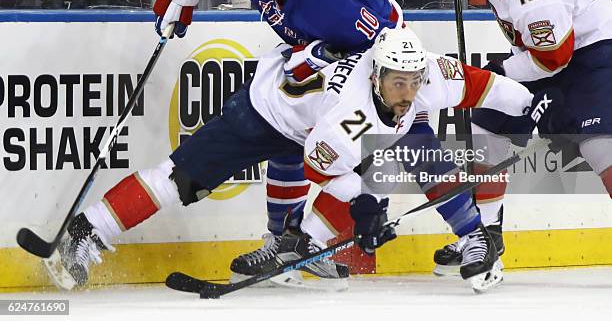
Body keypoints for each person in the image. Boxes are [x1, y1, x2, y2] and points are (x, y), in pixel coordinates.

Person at [43, 23, 553, 293]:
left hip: (305, 116)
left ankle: (305, 243)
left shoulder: (424, 77)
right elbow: (320, 166)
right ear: (377, 76)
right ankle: (89, 234)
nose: (408, 92)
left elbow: (486, 86)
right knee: (179, 180)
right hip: (263, 112)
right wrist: (365, 209)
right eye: (399, 83)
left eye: (414, 82)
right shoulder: (349, 112)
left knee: (390, 162)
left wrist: (533, 108)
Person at [435, 0, 612, 276]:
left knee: (602, 147)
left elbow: (553, 60)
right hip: (548, 46)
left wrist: (500, 72)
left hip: (590, 48)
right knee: (487, 121)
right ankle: (487, 233)